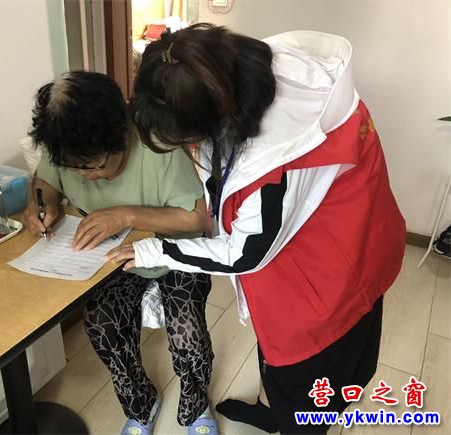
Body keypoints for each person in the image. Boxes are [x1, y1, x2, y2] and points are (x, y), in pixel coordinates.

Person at [107, 24, 407, 434]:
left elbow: (243, 253)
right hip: (334, 236)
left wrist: (153, 250)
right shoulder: (244, 72)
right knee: (280, 360)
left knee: (307, 385)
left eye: (189, 139)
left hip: (336, 272)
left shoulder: (280, 159)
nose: (191, 148)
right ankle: (272, 412)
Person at [24, 71, 219, 435]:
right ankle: (141, 404)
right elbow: (45, 182)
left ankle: (195, 404)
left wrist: (126, 214)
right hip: (115, 258)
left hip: (172, 251)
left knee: (187, 334)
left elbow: (195, 219)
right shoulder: (67, 148)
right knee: (102, 325)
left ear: (124, 135)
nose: (84, 176)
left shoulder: (159, 145)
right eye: (73, 167)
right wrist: (43, 205)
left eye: (93, 166)